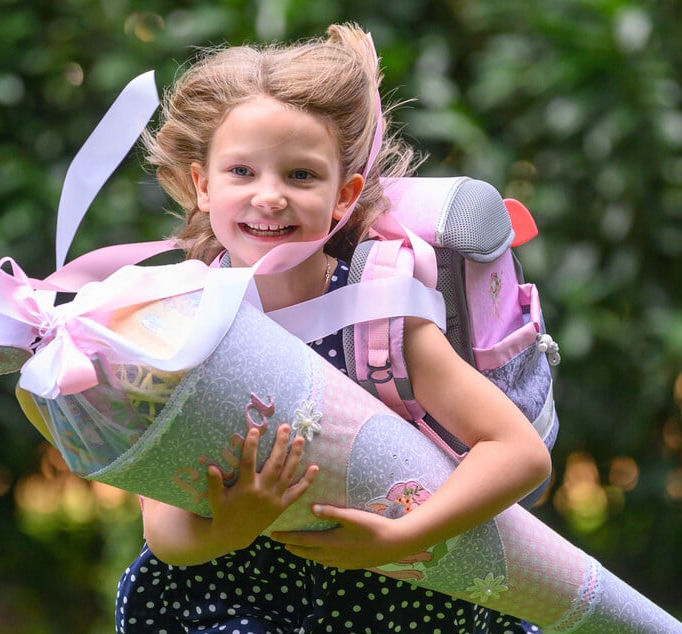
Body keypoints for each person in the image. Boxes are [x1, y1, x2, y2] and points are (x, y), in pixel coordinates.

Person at [115, 23, 551, 633]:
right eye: (242, 171)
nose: (269, 197)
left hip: (395, 604)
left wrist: (403, 536)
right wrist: (233, 526)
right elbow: (163, 532)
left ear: (343, 195)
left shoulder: (377, 314)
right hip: (239, 600)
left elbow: (518, 452)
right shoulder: (180, 323)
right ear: (203, 186)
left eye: (300, 176)